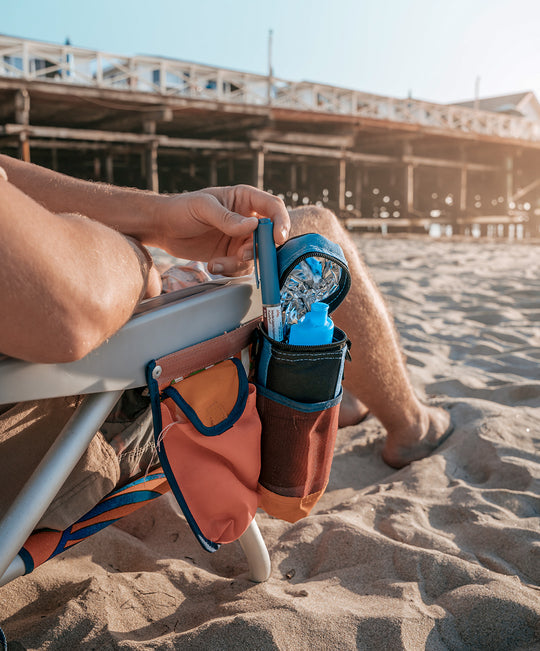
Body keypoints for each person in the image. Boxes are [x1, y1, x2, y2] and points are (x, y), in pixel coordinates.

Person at [0, 155, 451, 530]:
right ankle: (411, 427)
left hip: (33, 396)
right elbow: (68, 306)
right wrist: (140, 260)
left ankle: (339, 401)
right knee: (314, 233)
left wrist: (159, 217)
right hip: (46, 447)